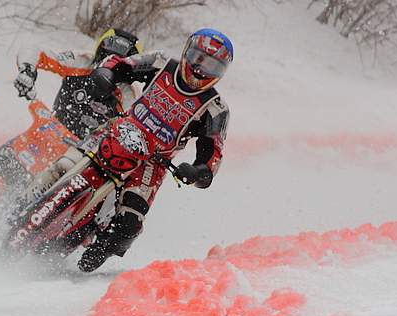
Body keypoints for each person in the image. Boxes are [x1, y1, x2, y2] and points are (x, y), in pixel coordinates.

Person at [15, 29, 234, 272]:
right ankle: (21, 207)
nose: (198, 69)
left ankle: (103, 248)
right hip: (118, 131)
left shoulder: (215, 109)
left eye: (211, 66)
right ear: (186, 53)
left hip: (152, 162)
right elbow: (120, 63)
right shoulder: (160, 63)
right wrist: (105, 75)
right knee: (62, 167)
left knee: (130, 222)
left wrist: (195, 172)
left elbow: (211, 159)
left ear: (221, 72)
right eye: (197, 58)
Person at [12, 28, 149, 140]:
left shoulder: (129, 93)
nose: (109, 66)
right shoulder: (81, 61)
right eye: (106, 57)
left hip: (84, 157)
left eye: (118, 65)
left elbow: (134, 127)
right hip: (51, 132)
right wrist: (27, 70)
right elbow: (34, 51)